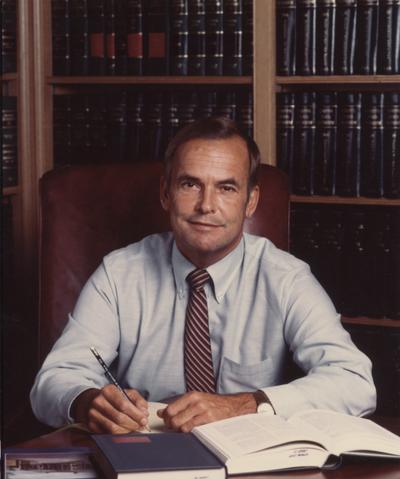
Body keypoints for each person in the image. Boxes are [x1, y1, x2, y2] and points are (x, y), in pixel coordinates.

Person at [30, 117, 376, 434]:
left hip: (249, 465)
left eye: (226, 188)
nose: (206, 205)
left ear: (251, 201)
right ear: (166, 193)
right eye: (190, 184)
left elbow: (354, 381)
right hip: (143, 454)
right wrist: (87, 401)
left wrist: (247, 404)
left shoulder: (285, 278)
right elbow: (54, 380)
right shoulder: (120, 274)